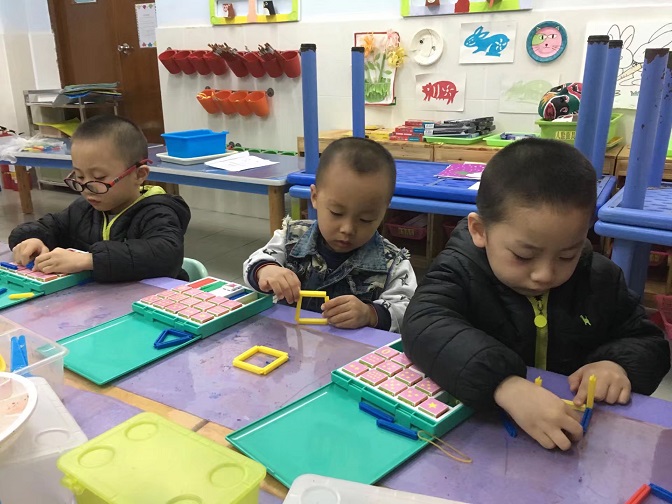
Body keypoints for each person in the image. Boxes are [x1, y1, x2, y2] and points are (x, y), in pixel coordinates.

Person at [402, 138, 671, 450]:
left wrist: (616, 364)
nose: (545, 274)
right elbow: (424, 323)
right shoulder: (459, 269)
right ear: (480, 231)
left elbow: (647, 340)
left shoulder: (600, 278)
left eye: (567, 255)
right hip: (486, 439)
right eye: (524, 255)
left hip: (579, 436)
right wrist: (504, 384)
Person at [244, 137, 417, 332]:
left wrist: (370, 314)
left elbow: (408, 311)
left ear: (384, 211)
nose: (347, 229)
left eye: (366, 219)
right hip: (288, 343)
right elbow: (255, 262)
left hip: (353, 349)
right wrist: (266, 270)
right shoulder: (292, 237)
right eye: (336, 213)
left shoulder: (394, 263)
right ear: (315, 197)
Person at [9, 115, 191, 282]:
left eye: (99, 177)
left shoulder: (158, 212)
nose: (87, 188)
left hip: (151, 299)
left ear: (139, 175)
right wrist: (31, 239)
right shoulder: (83, 209)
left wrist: (89, 260)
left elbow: (166, 255)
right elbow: (48, 226)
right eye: (80, 177)